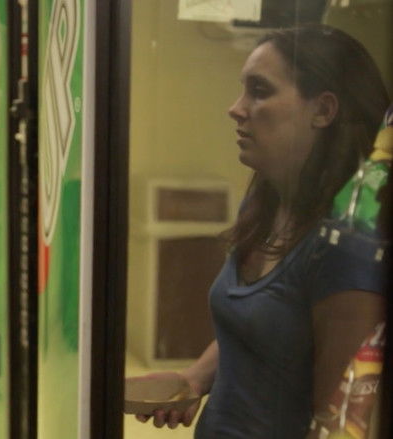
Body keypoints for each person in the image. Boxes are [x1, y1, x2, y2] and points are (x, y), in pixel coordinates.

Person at [134, 25, 389, 437]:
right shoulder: (264, 203)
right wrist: (195, 378)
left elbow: (339, 426)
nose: (235, 109)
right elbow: (266, 329)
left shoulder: (346, 250)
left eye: (259, 90)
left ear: (323, 111)